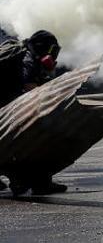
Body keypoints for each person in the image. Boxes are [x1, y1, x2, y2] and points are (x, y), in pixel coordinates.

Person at [0, 30, 66, 196]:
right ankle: (39, 183)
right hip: (5, 105)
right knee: (39, 139)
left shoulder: (17, 52)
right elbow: (29, 87)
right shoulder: (28, 58)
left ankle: (27, 181)